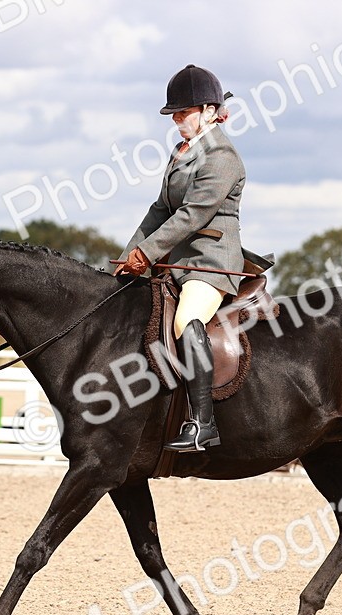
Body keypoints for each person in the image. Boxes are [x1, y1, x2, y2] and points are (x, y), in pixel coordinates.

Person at [113, 64, 246, 453]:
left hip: (210, 263)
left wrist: (148, 253)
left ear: (208, 110)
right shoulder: (183, 151)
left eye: (182, 113)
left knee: (187, 319)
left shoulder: (222, 157)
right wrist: (127, 260)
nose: (176, 121)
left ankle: (203, 423)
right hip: (176, 262)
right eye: (174, 114)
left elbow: (192, 215)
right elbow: (160, 210)